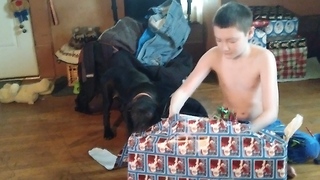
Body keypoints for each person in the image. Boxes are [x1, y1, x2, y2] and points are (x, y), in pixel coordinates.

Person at [168, 2, 320, 179]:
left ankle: (276, 156)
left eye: (232, 41)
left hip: (262, 125)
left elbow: (271, 112)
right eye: (219, 40)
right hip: (228, 124)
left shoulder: (264, 58)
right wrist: (173, 115)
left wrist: (244, 135)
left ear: (249, 33)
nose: (224, 47)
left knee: (310, 148)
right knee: (207, 153)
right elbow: (184, 91)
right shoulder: (213, 55)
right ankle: (270, 160)